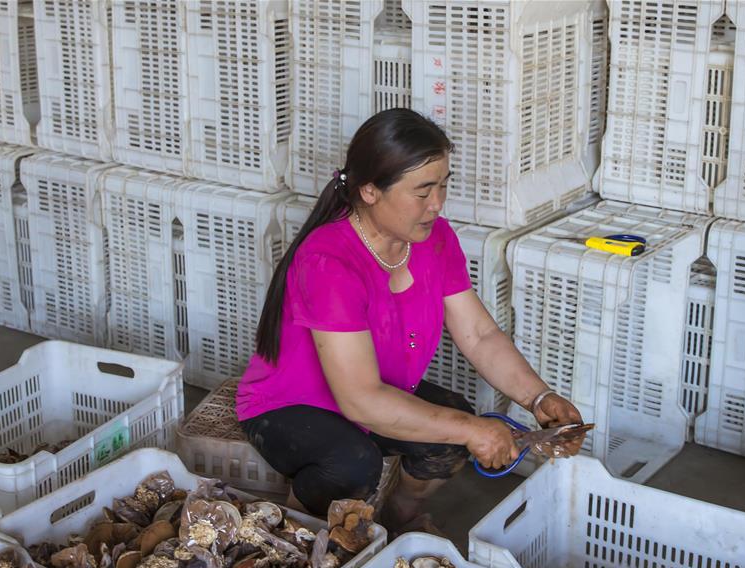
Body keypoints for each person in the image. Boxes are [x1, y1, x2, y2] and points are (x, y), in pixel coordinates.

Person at [236, 108, 582, 533]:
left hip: (378, 392)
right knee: (351, 463)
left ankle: (400, 518)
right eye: (422, 191)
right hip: (292, 406)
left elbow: (479, 334)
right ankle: (296, 536)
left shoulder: (434, 239)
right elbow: (360, 399)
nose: (436, 204)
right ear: (369, 192)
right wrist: (474, 430)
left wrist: (539, 398)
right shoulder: (328, 261)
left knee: (451, 428)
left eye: (442, 186)